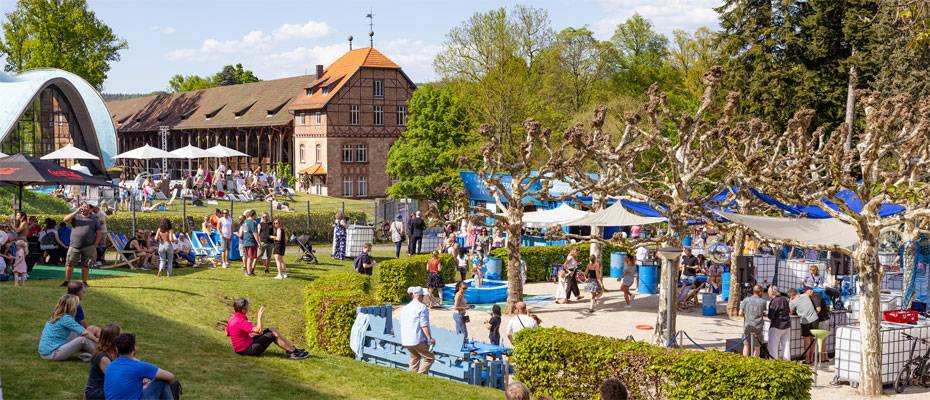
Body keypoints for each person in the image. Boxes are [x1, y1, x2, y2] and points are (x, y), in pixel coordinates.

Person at [104, 333, 181, 400]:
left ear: (117, 349)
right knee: (162, 381)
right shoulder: (138, 366)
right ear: (134, 348)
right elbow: (171, 377)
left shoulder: (110, 366)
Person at [225, 298, 308, 359]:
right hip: (247, 350)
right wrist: (259, 317)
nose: (248, 307)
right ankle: (294, 353)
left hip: (243, 347)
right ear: (243, 310)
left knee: (271, 329)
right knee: (272, 334)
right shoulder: (241, 321)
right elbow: (259, 330)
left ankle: (292, 349)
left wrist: (242, 336)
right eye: (247, 306)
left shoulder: (232, 318)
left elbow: (227, 332)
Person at [38, 294, 99, 361]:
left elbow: (82, 331)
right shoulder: (66, 318)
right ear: (72, 307)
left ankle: (99, 348)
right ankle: (101, 353)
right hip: (52, 353)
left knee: (88, 330)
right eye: (76, 305)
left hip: (47, 350)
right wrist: (96, 340)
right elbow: (85, 333)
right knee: (82, 340)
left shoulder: (57, 315)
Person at [62, 202, 102, 287]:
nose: (83, 208)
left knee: (86, 265)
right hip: (74, 246)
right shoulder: (75, 216)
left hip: (88, 246)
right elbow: (65, 219)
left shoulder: (95, 219)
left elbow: (99, 234)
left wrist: (94, 245)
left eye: (86, 207)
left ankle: (84, 282)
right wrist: (76, 211)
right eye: (82, 206)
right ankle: (67, 281)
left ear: (90, 209)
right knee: (69, 263)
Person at [399, 287, 435, 374]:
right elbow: (424, 325)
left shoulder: (405, 308)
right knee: (429, 358)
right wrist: (429, 338)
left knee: (414, 358)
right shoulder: (422, 307)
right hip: (417, 339)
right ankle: (420, 375)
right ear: (421, 296)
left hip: (406, 339)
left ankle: (412, 377)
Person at [85, 324, 121, 400]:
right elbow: (114, 378)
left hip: (108, 388)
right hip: (96, 392)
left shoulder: (116, 351)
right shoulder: (103, 358)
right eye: (120, 335)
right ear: (114, 339)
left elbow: (132, 361)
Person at [788, 288, 820, 364]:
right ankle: (811, 358)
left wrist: (790, 301)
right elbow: (810, 292)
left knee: (807, 341)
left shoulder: (792, 302)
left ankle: (807, 359)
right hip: (815, 319)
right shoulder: (805, 295)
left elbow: (790, 312)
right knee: (812, 340)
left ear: (791, 296)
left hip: (805, 321)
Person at [739, 285, 767, 357]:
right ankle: (754, 362)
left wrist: (747, 315)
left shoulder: (746, 300)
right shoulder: (763, 301)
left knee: (746, 345)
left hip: (748, 326)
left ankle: (745, 361)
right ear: (760, 292)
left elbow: (740, 313)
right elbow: (764, 312)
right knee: (757, 347)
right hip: (758, 326)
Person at [767, 286, 791, 360]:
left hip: (777, 325)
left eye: (768, 292)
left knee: (773, 346)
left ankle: (773, 363)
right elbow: (788, 311)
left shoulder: (774, 301)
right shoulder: (784, 299)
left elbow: (771, 315)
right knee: (786, 345)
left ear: (772, 292)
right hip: (787, 325)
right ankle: (787, 362)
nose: (768, 293)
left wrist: (767, 314)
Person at [239, 210, 258, 276]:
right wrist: (258, 242)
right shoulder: (252, 222)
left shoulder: (245, 222)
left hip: (245, 242)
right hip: (251, 242)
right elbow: (255, 233)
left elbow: (243, 232)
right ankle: (248, 272)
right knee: (250, 258)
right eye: (255, 215)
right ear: (253, 215)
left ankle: (247, 271)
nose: (256, 216)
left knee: (248, 257)